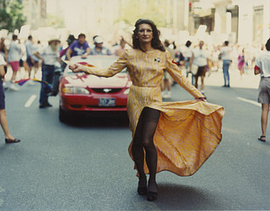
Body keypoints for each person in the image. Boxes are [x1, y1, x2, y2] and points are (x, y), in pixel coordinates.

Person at [69, 19, 224, 201]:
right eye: (141, 30)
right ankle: (141, 177)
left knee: (147, 139)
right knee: (136, 141)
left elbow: (179, 77)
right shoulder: (129, 53)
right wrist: (83, 68)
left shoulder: (162, 54)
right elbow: (109, 72)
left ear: (153, 33)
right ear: (136, 34)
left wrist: (197, 94)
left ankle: (152, 180)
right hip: (135, 98)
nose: (145, 33)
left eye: (148, 30)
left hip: (153, 100)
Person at [34, 36, 63, 108]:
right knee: (44, 85)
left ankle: (46, 101)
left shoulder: (56, 49)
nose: (56, 43)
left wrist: (62, 65)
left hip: (52, 67)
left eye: (57, 42)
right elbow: (35, 53)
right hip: (46, 66)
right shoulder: (45, 48)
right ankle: (42, 102)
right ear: (51, 42)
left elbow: (58, 58)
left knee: (49, 85)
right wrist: (42, 59)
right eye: (55, 42)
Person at [254, 38, 270, 142]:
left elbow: (256, 71)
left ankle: (263, 134)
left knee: (265, 108)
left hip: (265, 81)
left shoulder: (261, 55)